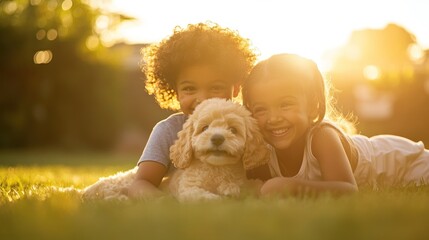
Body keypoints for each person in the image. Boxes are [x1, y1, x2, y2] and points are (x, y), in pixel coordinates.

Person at [242, 53, 429, 197]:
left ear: (313, 107)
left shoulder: (322, 137)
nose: (273, 118)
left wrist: (291, 187)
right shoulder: (263, 150)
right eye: (261, 109)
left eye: (285, 105)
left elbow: (347, 191)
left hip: (408, 164)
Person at [126, 22, 257, 199]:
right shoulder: (168, 130)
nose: (202, 98)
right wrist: (166, 205)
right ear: (175, 91)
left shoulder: (246, 125)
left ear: (235, 88)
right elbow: (142, 182)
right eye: (189, 88)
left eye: (215, 87)